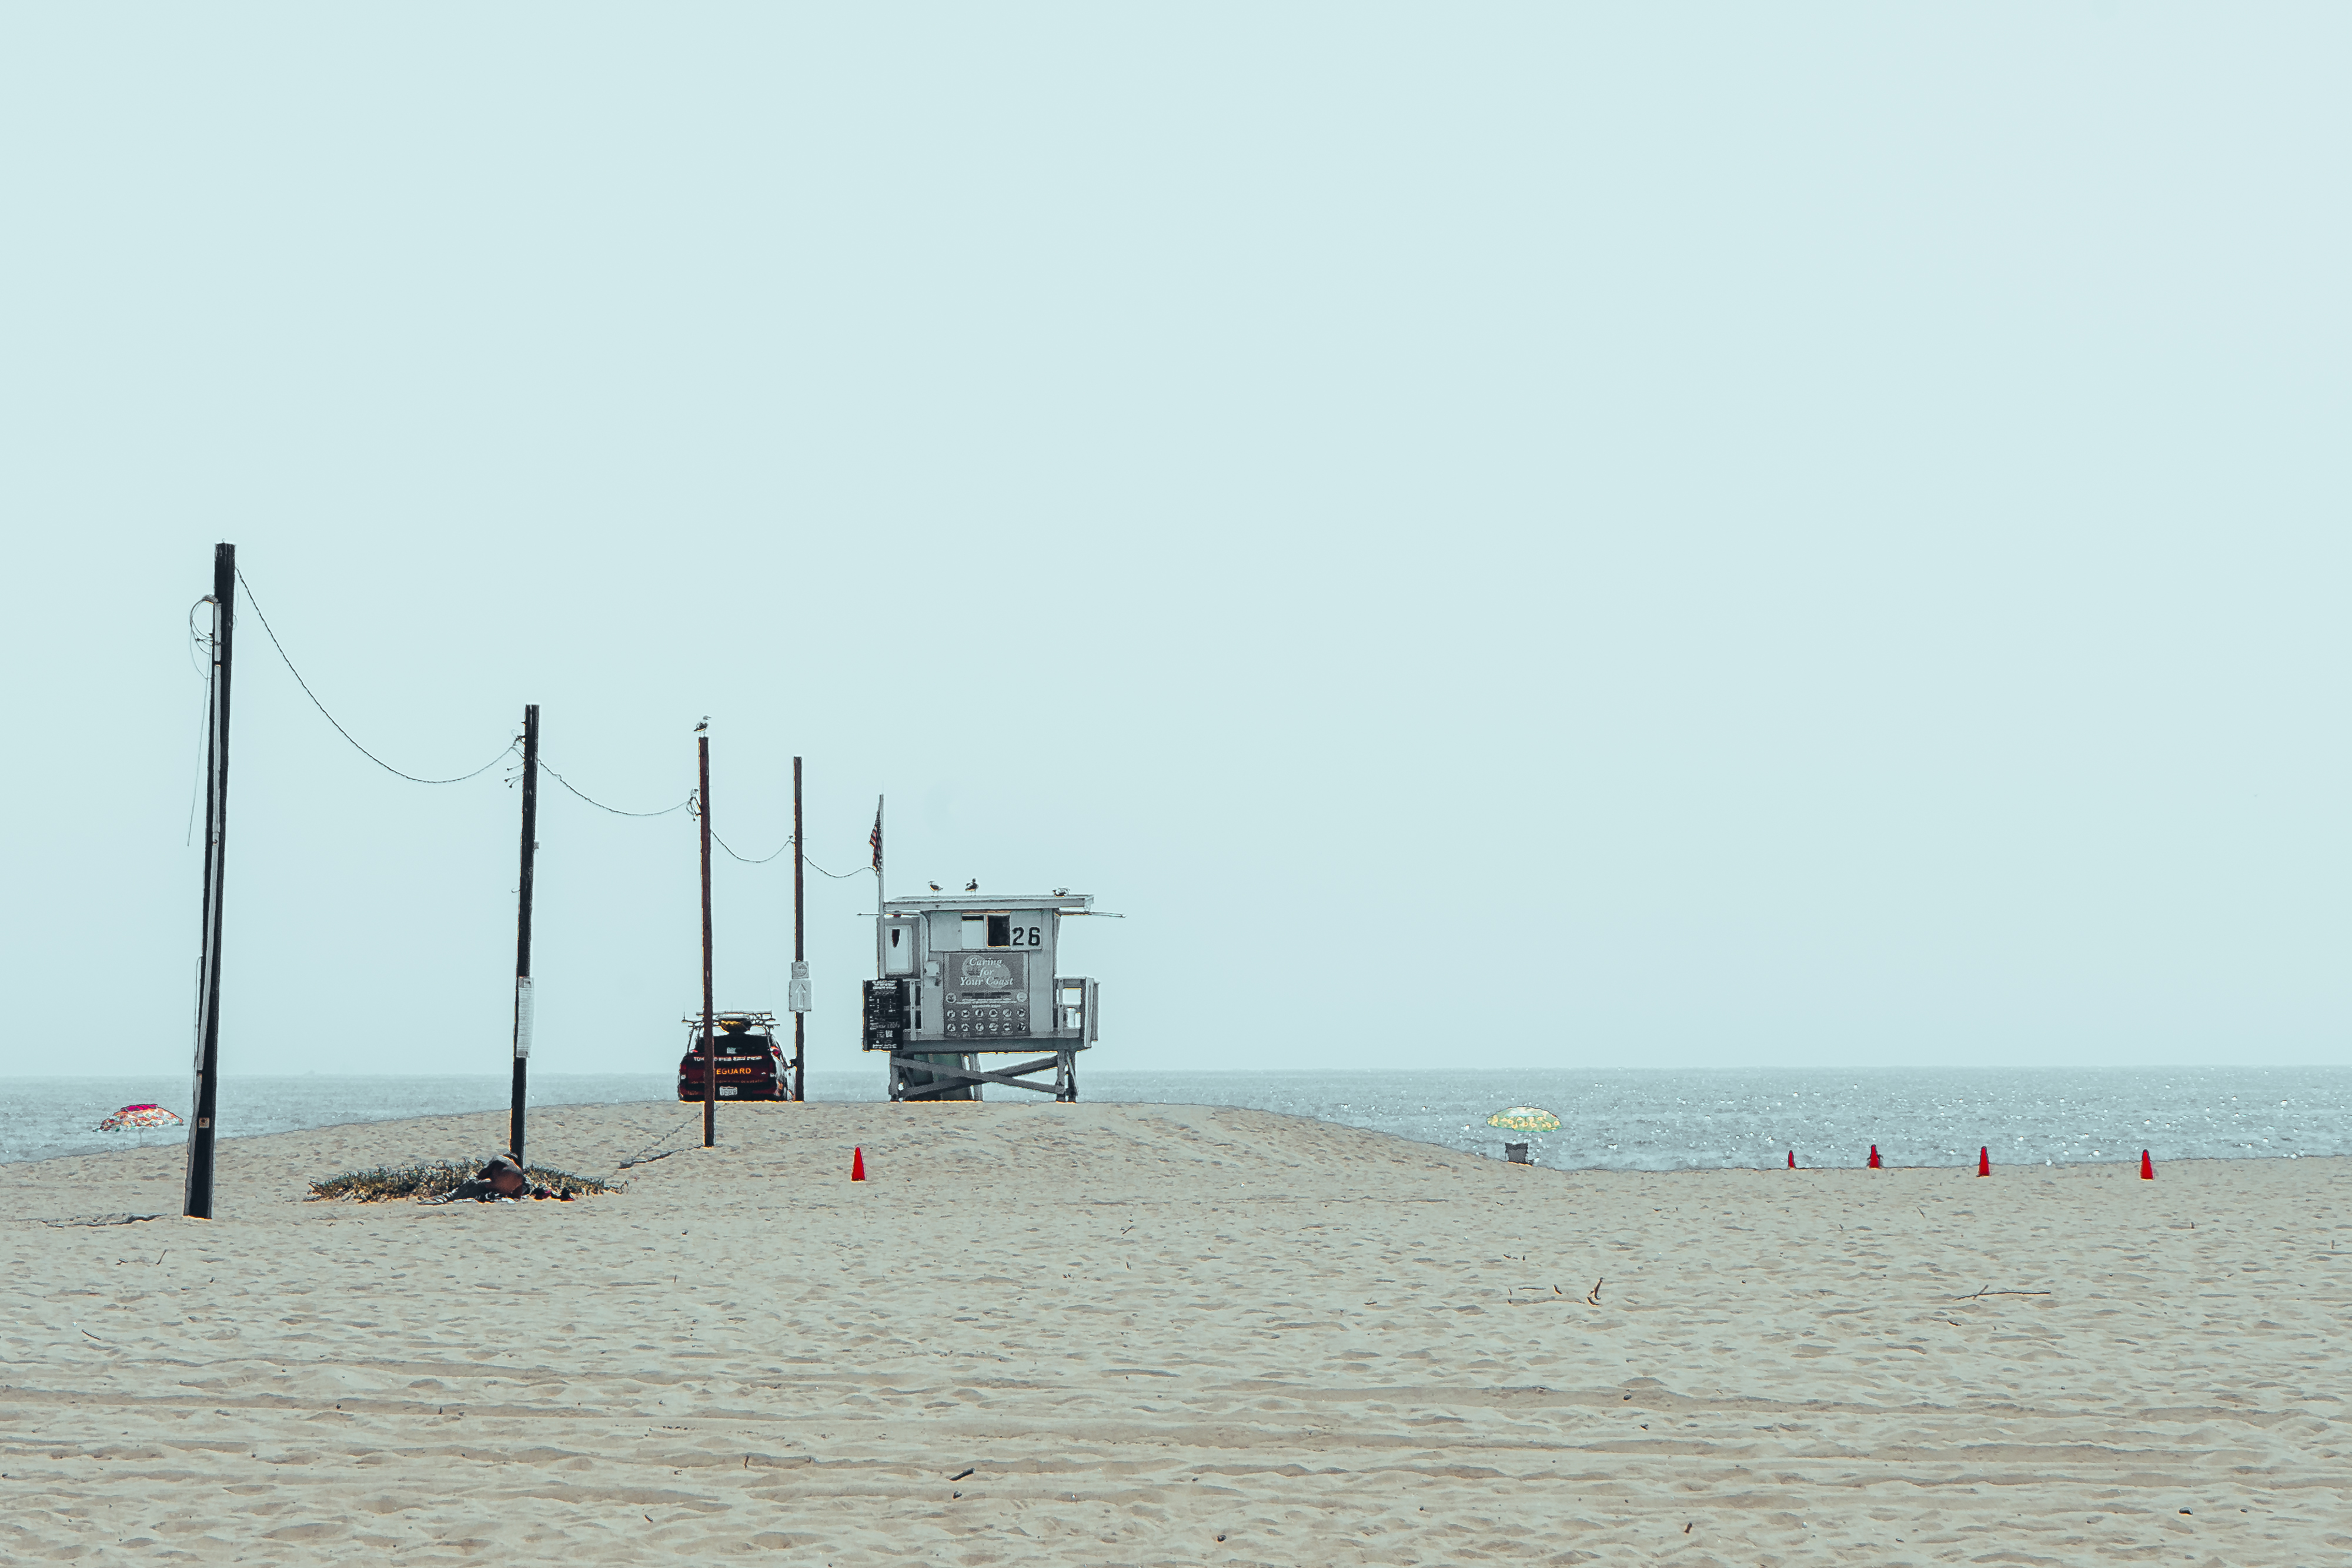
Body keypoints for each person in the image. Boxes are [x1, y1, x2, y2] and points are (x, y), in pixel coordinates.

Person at [426, 1152, 567, 1203]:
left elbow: (481, 1175)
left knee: (471, 1182)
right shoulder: (520, 1173)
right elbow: (517, 1196)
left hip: (491, 1187)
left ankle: (446, 1198)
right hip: (506, 1191)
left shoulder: (498, 1160)